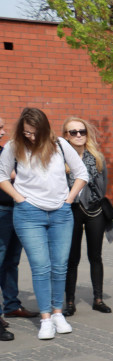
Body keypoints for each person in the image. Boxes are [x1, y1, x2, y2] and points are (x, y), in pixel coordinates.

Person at [0, 108, 88, 340]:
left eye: (35, 132)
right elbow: (1, 176)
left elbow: (82, 173)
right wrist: (20, 199)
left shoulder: (59, 144)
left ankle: (58, 313)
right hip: (28, 215)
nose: (31, 137)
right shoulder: (13, 146)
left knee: (60, 266)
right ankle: (46, 319)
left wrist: (69, 200)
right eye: (27, 132)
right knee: (41, 267)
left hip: (60, 214)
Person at [61, 117, 112, 317]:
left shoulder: (97, 157)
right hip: (71, 210)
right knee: (72, 258)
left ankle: (98, 299)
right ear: (66, 136)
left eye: (81, 131)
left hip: (94, 210)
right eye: (73, 132)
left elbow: (103, 185)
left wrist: (92, 197)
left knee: (95, 256)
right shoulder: (60, 159)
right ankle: (70, 302)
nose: (78, 135)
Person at [0, 114, 38, 341]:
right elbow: (13, 176)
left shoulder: (5, 150)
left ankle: (12, 304)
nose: (3, 132)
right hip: (2, 210)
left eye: (3, 127)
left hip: (16, 208)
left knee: (12, 260)